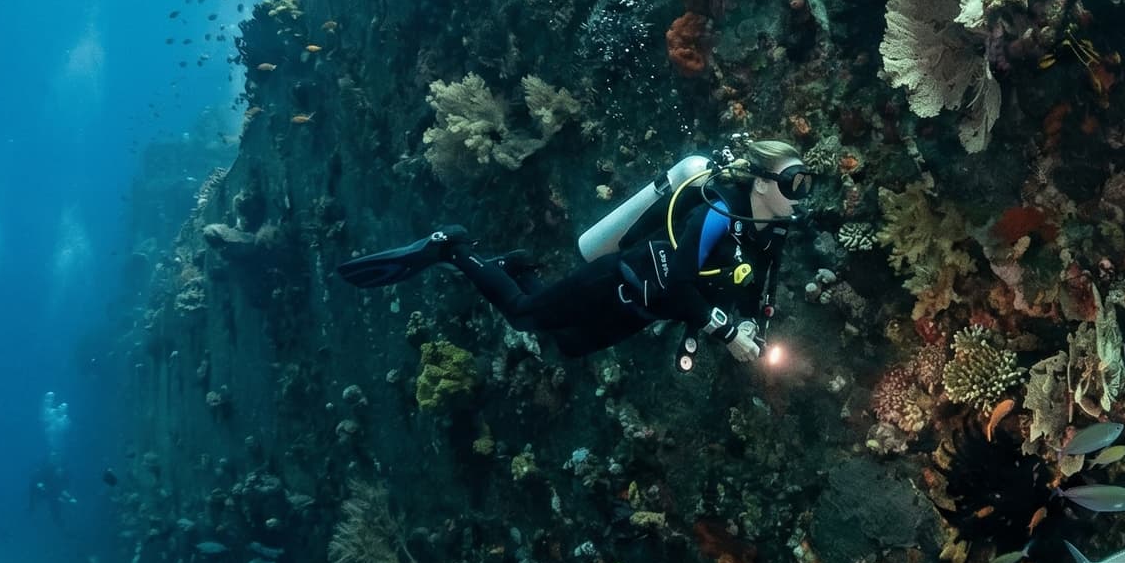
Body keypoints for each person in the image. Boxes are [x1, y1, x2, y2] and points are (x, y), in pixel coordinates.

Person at [338, 139, 808, 366]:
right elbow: (684, 278)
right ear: (764, 183)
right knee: (523, 316)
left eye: (806, 182)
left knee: (563, 345)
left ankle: (512, 267)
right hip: (616, 280)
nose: (801, 193)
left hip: (641, 310)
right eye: (793, 183)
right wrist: (726, 333)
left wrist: (748, 321)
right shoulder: (719, 213)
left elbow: (754, 286)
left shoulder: (772, 229)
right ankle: (452, 246)